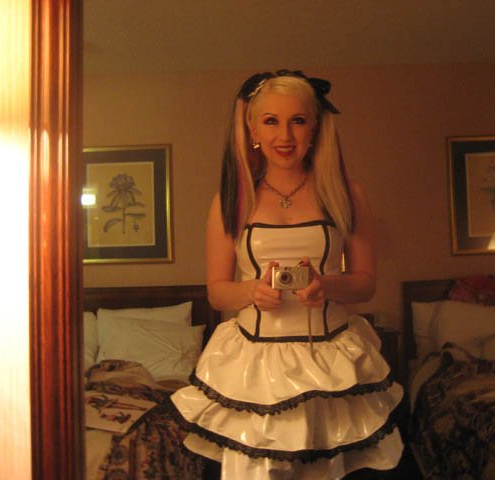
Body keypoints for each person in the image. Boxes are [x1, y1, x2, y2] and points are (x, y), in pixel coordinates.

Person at [171, 69, 404, 479]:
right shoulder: (231, 199)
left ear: (315, 127)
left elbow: (365, 283)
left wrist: (327, 285)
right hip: (254, 367)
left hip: (329, 362)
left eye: (297, 120)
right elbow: (217, 292)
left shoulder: (347, 193)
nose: (285, 136)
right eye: (271, 121)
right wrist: (252, 292)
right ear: (252, 129)